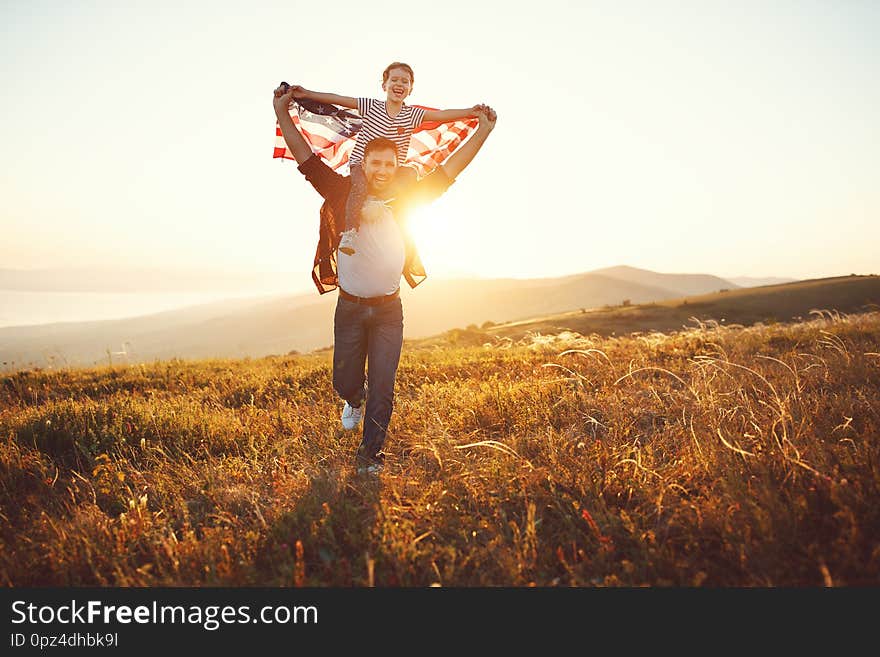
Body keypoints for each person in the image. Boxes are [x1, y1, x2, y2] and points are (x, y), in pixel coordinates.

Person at [273, 82, 496, 474]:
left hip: (389, 310)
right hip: (350, 308)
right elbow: (305, 157)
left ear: (397, 168)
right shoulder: (342, 192)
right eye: (375, 164)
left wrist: (483, 131)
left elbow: (451, 169)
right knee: (344, 380)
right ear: (363, 164)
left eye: (389, 165)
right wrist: (280, 113)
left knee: (383, 386)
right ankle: (351, 399)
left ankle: (370, 457)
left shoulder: (410, 197)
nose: (381, 171)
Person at [286, 62, 481, 256]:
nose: (399, 84)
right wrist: (308, 94)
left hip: (393, 169)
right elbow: (339, 99)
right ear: (384, 85)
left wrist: (470, 112)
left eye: (405, 81)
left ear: (410, 89)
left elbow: (441, 116)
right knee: (359, 188)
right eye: (394, 79)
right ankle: (351, 232)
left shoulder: (412, 114)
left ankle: (393, 228)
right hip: (360, 166)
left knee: (409, 179)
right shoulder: (371, 106)